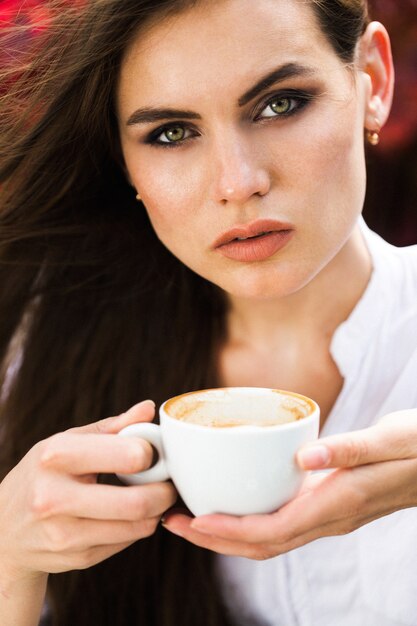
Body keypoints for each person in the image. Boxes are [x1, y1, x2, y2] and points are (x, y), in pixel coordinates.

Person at [0, 0, 416, 624]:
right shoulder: (47, 354)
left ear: (373, 83)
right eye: (171, 133)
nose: (238, 181)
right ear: (126, 164)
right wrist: (10, 559)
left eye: (280, 104)